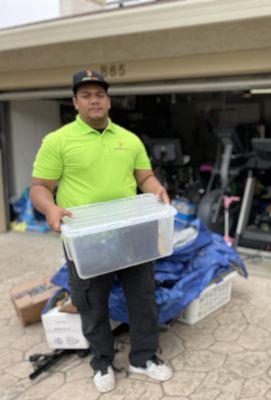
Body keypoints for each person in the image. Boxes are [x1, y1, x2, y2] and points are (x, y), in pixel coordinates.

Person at [30, 70, 173, 393]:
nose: (94, 100)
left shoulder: (129, 139)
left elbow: (145, 178)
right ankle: (102, 362)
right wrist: (50, 208)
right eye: (86, 95)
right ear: (75, 102)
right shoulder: (58, 141)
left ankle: (143, 357)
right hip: (86, 240)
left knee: (143, 299)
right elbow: (39, 187)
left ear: (108, 100)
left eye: (100, 94)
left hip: (130, 235)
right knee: (92, 304)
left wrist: (157, 189)